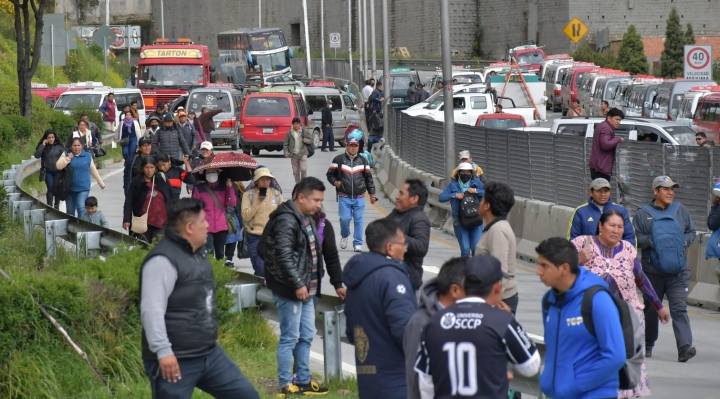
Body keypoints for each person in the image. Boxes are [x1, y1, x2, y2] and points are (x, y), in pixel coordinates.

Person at [139, 198, 260, 399]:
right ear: (189, 227)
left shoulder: (197, 254)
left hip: (208, 353)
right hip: (175, 358)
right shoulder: (161, 261)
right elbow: (151, 311)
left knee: (247, 395)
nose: (208, 225)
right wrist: (163, 351)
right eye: (203, 221)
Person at [572, 209, 670, 398]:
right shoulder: (581, 244)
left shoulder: (627, 249)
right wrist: (578, 259)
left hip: (628, 318)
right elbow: (558, 269)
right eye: (611, 225)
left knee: (626, 364)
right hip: (593, 318)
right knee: (599, 360)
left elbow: (640, 279)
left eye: (620, 227)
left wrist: (658, 306)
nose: (616, 230)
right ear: (600, 226)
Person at [415, 256, 541, 399]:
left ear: (464, 283)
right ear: (498, 287)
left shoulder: (435, 322)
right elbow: (531, 366)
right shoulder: (502, 320)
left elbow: (425, 383)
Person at [261, 177, 329, 396]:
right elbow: (283, 256)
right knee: (290, 337)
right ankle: (284, 385)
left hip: (307, 289)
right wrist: (298, 284)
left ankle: (302, 380)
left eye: (320, 200)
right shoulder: (287, 220)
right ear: (301, 197)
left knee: (306, 335)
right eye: (315, 200)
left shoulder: (306, 217)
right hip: (291, 289)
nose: (319, 204)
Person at [535, 237, 626, 399]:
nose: (538, 272)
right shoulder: (548, 301)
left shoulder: (597, 300)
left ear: (564, 268)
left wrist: (575, 386)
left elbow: (615, 356)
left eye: (544, 266)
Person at [344, 219, 418, 399]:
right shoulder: (392, 277)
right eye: (403, 244)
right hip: (396, 379)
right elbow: (406, 331)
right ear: (390, 248)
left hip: (368, 375)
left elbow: (352, 331)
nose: (406, 249)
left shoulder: (359, 277)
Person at [633, 176, 697, 362]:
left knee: (679, 308)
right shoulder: (642, 213)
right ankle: (648, 343)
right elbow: (637, 237)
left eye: (672, 189)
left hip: (678, 271)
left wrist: (682, 242)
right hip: (653, 272)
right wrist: (655, 242)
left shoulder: (680, 210)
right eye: (665, 189)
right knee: (652, 309)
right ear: (655, 191)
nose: (670, 192)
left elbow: (691, 232)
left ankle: (684, 347)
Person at [403, 257, 466, 399]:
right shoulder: (421, 323)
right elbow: (415, 378)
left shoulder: (469, 319)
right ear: (455, 290)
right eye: (473, 289)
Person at [326, 137, 377, 252]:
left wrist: (372, 194)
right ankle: (344, 235)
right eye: (351, 146)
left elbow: (369, 179)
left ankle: (357, 243)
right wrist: (336, 182)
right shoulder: (338, 160)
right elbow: (330, 175)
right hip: (344, 197)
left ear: (358, 147)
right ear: (347, 146)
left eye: (356, 146)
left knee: (359, 220)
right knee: (345, 219)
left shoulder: (363, 161)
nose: (353, 148)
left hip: (360, 197)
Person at [477, 181, 520, 314]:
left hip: (499, 300)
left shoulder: (498, 231)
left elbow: (499, 271)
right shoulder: (495, 228)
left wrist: (490, 302)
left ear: (487, 206)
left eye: (482, 199)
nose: (480, 201)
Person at [385, 179, 431, 290]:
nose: (397, 197)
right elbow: (380, 229)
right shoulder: (397, 213)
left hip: (405, 283)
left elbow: (421, 246)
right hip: (389, 277)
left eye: (401, 193)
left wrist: (397, 237)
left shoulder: (419, 219)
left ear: (414, 199)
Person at [242, 167, 284, 277]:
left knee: (273, 270)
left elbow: (284, 214)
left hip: (272, 237)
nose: (266, 182)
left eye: (268, 179)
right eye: (262, 179)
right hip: (255, 237)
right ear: (256, 181)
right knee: (260, 269)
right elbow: (245, 216)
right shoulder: (248, 195)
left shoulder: (276, 194)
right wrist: (258, 203)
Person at [568, 177, 636, 244]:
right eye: (598, 191)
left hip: (616, 254)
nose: (603, 194)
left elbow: (630, 237)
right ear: (590, 192)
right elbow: (573, 239)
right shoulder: (580, 212)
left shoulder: (621, 210)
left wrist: (626, 254)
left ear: (610, 192)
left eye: (606, 191)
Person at [440, 163, 485, 257]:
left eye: (468, 172)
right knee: (465, 250)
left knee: (475, 249)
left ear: (471, 173)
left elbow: (488, 193)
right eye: (463, 172)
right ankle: (463, 270)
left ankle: (474, 270)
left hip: (475, 218)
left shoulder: (476, 183)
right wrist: (454, 195)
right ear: (459, 173)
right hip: (459, 220)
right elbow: (441, 197)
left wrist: (476, 191)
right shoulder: (453, 185)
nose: (466, 174)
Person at [123, 156, 172, 243]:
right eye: (147, 167)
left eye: (152, 167)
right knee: (143, 248)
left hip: (161, 222)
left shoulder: (161, 179)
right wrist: (126, 219)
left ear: (155, 168)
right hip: (143, 223)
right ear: (142, 168)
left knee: (158, 248)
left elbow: (170, 198)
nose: (149, 171)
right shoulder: (137, 182)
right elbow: (129, 201)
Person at [191, 168, 237, 260]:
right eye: (208, 172)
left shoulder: (224, 186)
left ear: (218, 173)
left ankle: (219, 272)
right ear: (204, 174)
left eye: (213, 172)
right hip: (206, 226)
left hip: (221, 226)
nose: (211, 174)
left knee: (220, 253)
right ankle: (210, 272)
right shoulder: (199, 188)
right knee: (209, 252)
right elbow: (194, 206)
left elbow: (232, 203)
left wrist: (229, 188)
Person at [56, 138, 105, 218]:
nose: (76, 147)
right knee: (70, 212)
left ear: (82, 146)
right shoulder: (66, 154)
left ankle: (81, 228)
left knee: (81, 207)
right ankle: (72, 228)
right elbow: (58, 166)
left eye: (78, 145)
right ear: (71, 146)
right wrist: (68, 158)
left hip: (83, 188)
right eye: (74, 145)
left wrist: (101, 182)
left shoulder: (88, 156)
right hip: (69, 189)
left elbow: (93, 170)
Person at [588, 107, 624, 180]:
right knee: (602, 191)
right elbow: (605, 144)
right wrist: (618, 139)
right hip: (601, 168)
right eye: (616, 119)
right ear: (609, 118)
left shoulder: (603, 125)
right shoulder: (606, 128)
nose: (618, 122)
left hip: (598, 167)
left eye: (620, 120)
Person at [34, 130, 64, 209]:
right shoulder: (43, 147)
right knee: (50, 188)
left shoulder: (59, 147)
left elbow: (64, 158)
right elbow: (37, 155)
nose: (51, 139)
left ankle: (56, 206)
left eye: (52, 137)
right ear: (46, 138)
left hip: (58, 171)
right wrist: (43, 145)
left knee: (57, 188)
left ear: (55, 138)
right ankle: (49, 206)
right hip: (48, 171)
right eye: (49, 138)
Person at [116, 111, 143, 191]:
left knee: (131, 152)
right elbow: (118, 131)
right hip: (125, 139)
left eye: (129, 115)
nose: (128, 116)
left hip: (133, 138)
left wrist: (139, 141)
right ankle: (127, 162)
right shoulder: (122, 122)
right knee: (125, 152)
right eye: (126, 115)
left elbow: (138, 131)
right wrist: (117, 137)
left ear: (131, 115)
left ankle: (130, 163)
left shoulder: (135, 122)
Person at [283, 117, 313, 183]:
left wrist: (306, 140)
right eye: (295, 124)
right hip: (294, 155)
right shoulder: (289, 133)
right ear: (292, 124)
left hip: (303, 153)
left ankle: (304, 183)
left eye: (297, 124)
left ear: (300, 124)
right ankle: (298, 184)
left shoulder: (304, 132)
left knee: (303, 169)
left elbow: (311, 139)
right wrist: (286, 152)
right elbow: (285, 144)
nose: (296, 125)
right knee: (295, 171)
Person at [224, 181, 246, 267]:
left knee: (233, 234)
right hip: (219, 212)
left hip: (233, 212)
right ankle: (220, 258)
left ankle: (229, 259)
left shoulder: (236, 184)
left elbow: (236, 200)